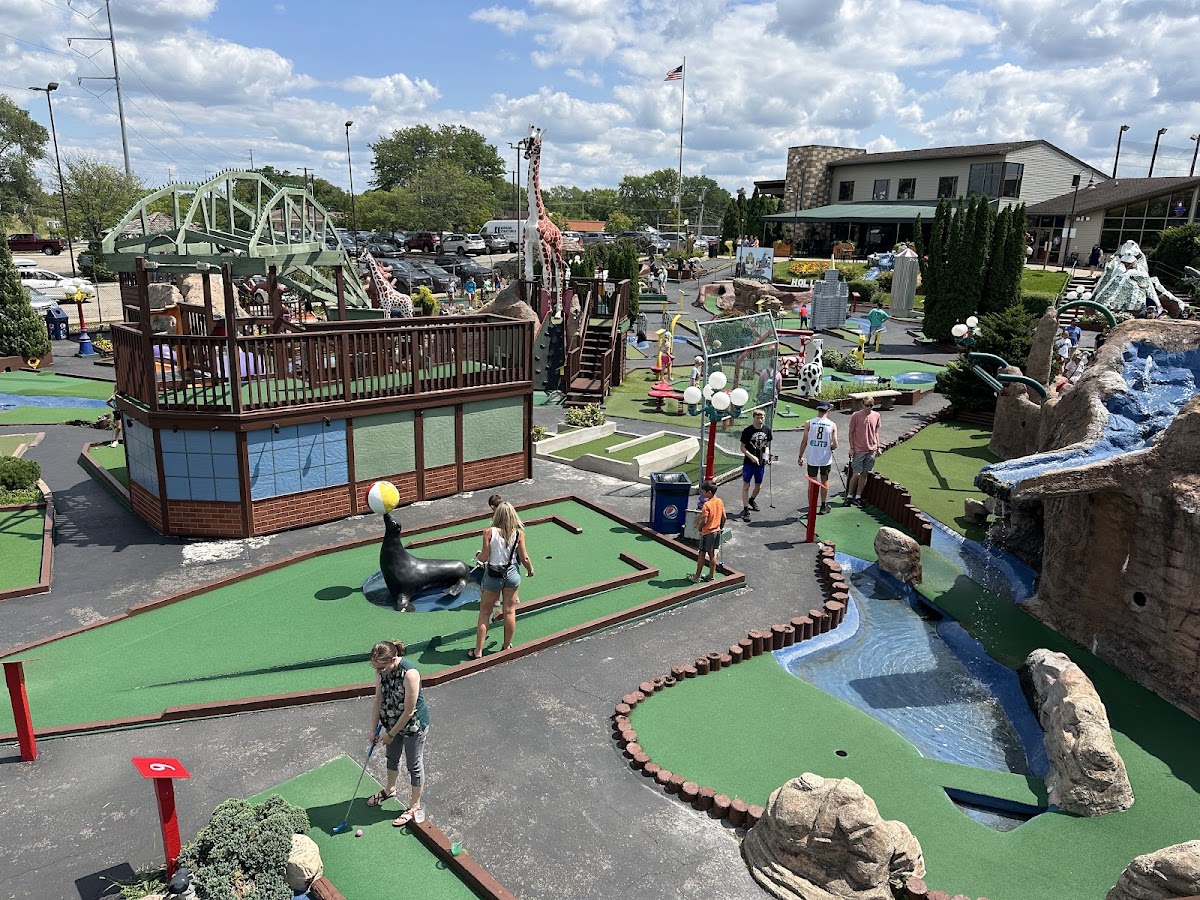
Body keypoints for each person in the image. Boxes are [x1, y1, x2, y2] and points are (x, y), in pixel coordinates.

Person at [365, 640, 430, 827]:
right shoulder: (381, 670)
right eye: (375, 667)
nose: (379, 671)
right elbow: (378, 699)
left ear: (393, 660)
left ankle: (414, 805)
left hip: (414, 725)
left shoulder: (410, 674)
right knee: (392, 757)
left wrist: (391, 735)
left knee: (413, 764)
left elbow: (409, 711)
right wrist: (373, 728)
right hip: (393, 720)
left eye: (381, 668)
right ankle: (390, 789)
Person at [471, 501, 534, 659]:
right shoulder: (518, 534)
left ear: (497, 515)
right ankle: (506, 646)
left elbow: (484, 558)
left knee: (485, 613)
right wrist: (530, 570)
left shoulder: (489, 533)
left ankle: (478, 651)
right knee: (510, 611)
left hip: (493, 575)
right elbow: (524, 557)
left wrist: (477, 555)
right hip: (511, 574)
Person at [799, 401, 838, 515]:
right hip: (825, 458)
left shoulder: (809, 423)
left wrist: (800, 455)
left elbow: (804, 441)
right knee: (824, 479)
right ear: (828, 410)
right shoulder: (832, 424)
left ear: (818, 409)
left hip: (812, 457)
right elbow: (835, 444)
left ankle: (812, 507)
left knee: (812, 481)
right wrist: (830, 447)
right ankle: (823, 506)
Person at [844, 396, 880, 507]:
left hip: (871, 449)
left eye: (871, 406)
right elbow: (851, 432)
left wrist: (878, 447)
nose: (869, 408)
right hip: (858, 450)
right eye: (867, 405)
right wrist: (852, 448)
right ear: (862, 405)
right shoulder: (856, 416)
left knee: (865, 473)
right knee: (856, 474)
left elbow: (876, 432)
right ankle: (849, 496)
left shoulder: (876, 415)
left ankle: (858, 497)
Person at [689, 479, 726, 583]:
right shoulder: (719, 501)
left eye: (704, 492)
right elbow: (724, 517)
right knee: (712, 554)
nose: (702, 493)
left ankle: (696, 576)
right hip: (717, 531)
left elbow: (704, 520)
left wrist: (700, 528)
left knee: (701, 553)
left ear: (709, 492)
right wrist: (721, 527)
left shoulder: (707, 505)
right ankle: (711, 575)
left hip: (707, 532)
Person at [739, 408, 772, 518]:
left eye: (762, 418)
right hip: (749, 463)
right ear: (754, 418)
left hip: (760, 464)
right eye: (758, 418)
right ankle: (745, 509)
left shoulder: (767, 430)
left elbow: (766, 445)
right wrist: (751, 456)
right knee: (746, 486)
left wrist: (766, 457)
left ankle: (751, 500)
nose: (760, 420)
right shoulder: (747, 431)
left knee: (758, 486)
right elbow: (742, 447)